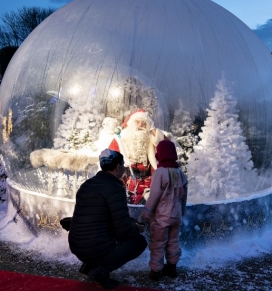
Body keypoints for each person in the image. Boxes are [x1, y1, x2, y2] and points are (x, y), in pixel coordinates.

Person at [68, 149, 147, 289]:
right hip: (93, 247)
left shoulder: (88, 184)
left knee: (102, 234)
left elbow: (96, 216)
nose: (124, 168)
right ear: (118, 167)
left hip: (76, 244)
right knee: (139, 242)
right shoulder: (115, 188)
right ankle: (101, 271)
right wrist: (138, 228)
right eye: (123, 165)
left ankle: (88, 265)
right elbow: (123, 230)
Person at [140, 140, 188, 281]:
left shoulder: (160, 172)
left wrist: (147, 212)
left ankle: (156, 271)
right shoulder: (179, 172)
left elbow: (154, 194)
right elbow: (184, 195)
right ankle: (172, 268)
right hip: (176, 215)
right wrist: (182, 210)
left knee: (158, 243)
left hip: (162, 216)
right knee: (173, 241)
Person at [108, 109, 171, 204]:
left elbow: (168, 150)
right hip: (126, 182)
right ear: (131, 123)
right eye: (137, 122)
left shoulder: (152, 138)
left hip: (149, 183)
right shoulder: (121, 139)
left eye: (144, 122)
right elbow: (109, 160)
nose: (141, 125)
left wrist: (155, 133)